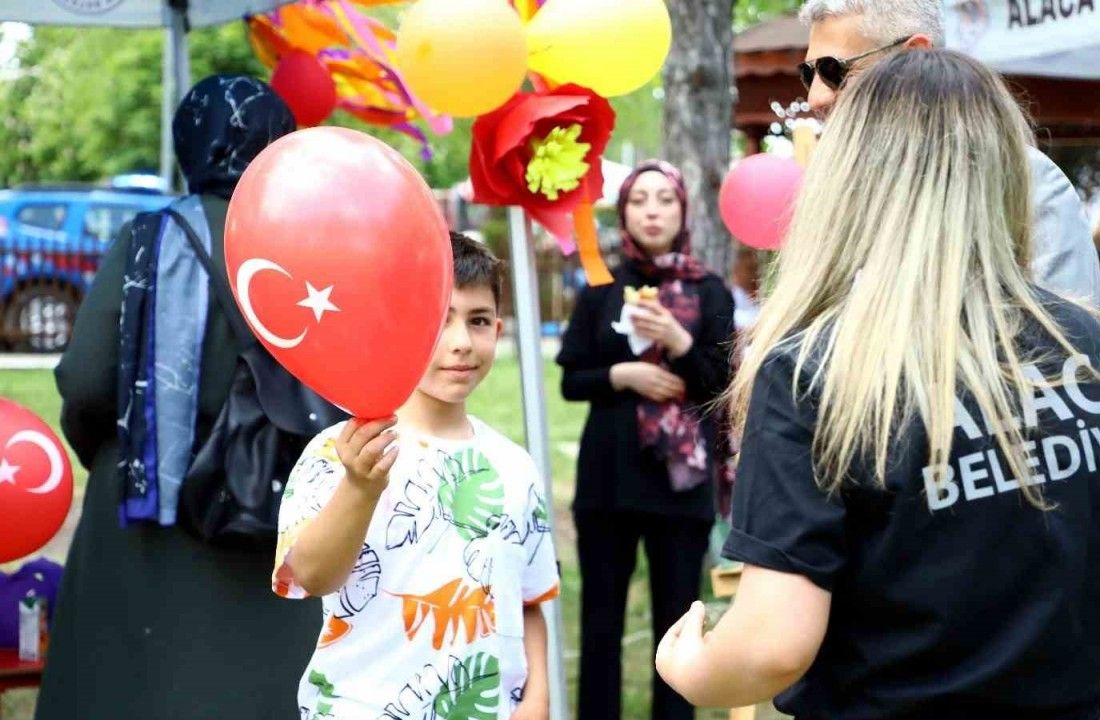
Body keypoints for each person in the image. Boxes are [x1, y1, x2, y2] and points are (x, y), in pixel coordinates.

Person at [655, 49, 1100, 720]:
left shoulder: (819, 366)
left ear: (853, 180)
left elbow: (770, 645)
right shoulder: (1079, 338)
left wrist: (691, 669)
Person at [37, 75, 312, 720]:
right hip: (279, 504)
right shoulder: (311, 246)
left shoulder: (149, 238)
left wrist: (114, 449)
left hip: (147, 509)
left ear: (190, 143)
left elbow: (87, 379)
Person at [271, 232, 560, 720]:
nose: (461, 342)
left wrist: (538, 699)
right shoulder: (340, 451)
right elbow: (312, 576)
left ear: (498, 329)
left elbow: (529, 600)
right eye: (437, 320)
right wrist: (360, 487)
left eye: (478, 321)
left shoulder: (515, 466)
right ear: (394, 326)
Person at [556, 160, 735, 720]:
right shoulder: (601, 287)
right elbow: (571, 379)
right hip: (607, 483)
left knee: (677, 629)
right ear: (624, 213)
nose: (652, 211)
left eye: (664, 200)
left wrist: (679, 340)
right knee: (600, 622)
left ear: (683, 211)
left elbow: (722, 385)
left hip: (678, 487)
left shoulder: (709, 291)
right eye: (639, 200)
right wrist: (622, 375)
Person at [797, 0, 1100, 309]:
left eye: (833, 70)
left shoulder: (1025, 180)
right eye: (809, 74)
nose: (815, 97)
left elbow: (1062, 333)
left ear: (914, 56)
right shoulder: (837, 189)